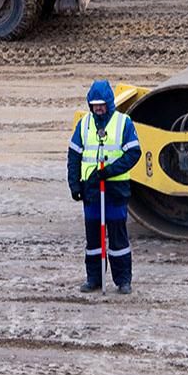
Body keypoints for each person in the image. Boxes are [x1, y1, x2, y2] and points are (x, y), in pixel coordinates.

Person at [67, 80, 140, 294]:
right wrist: (74, 184)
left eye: (102, 104)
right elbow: (74, 156)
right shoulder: (85, 124)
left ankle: (123, 280)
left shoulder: (123, 123)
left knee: (118, 237)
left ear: (109, 103)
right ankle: (94, 279)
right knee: (93, 238)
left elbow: (133, 154)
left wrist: (109, 171)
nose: (98, 108)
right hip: (91, 189)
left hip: (115, 190)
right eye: (94, 105)